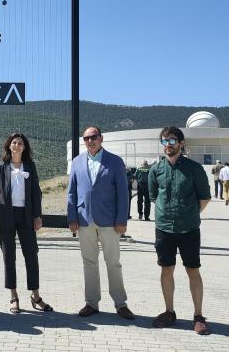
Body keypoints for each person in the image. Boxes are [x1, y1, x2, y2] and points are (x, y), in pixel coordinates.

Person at [66, 126, 134, 320]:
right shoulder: (77, 162)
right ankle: (91, 303)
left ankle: (120, 304)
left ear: (101, 138)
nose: (90, 141)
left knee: (113, 263)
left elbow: (123, 193)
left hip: (110, 221)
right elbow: (71, 192)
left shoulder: (115, 161)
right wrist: (72, 217)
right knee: (89, 263)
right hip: (84, 219)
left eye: (93, 137)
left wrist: (122, 219)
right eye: (86, 138)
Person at [149, 126, 211, 335]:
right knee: (166, 270)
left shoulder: (194, 169)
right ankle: (169, 312)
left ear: (181, 143)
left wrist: (189, 214)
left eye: (172, 140)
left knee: (192, 270)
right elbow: (153, 195)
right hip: (164, 229)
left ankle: (198, 316)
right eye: (164, 141)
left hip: (189, 229)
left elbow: (204, 198)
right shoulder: (155, 169)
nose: (168, 145)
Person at [0, 133, 52, 314]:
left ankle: (36, 295)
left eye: (20, 143)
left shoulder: (30, 166)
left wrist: (38, 216)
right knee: (9, 256)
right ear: (9, 146)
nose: (17, 145)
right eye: (14, 143)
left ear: (24, 147)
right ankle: (13, 296)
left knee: (31, 255)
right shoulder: (1, 167)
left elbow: (36, 193)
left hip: (26, 216)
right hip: (5, 216)